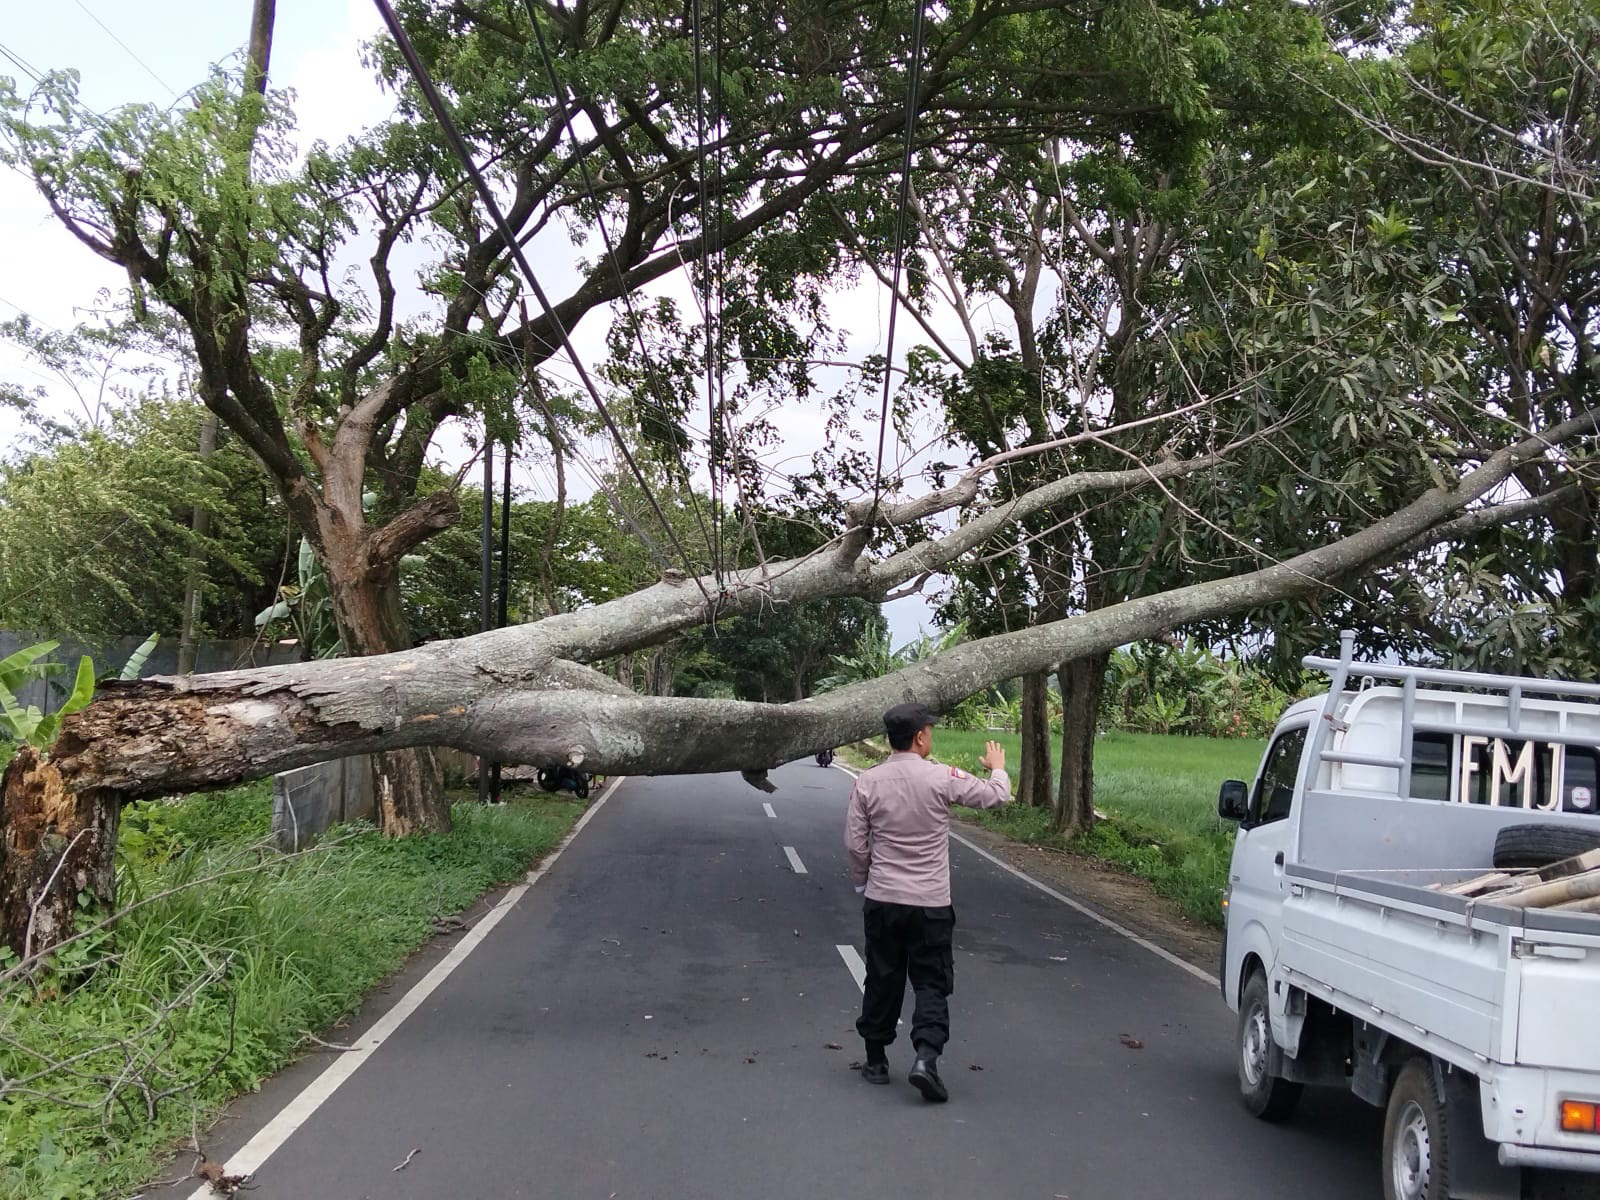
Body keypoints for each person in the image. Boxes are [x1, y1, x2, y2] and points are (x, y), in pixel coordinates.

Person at [844, 702, 1009, 1102]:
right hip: (931, 903)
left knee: (882, 977)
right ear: (920, 737)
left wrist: (864, 881)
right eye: (930, 731)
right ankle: (925, 1058)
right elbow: (996, 797)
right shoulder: (941, 778)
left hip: (883, 899)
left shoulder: (869, 781)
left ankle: (877, 1060)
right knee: (931, 981)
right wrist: (997, 766)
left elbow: (854, 842)